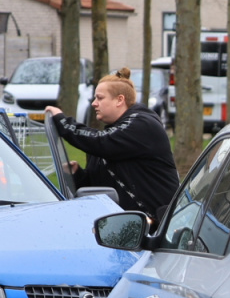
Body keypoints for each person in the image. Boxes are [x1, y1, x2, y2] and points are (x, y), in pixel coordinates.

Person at [45, 68, 179, 220]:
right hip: (126, 225)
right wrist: (77, 174)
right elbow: (96, 187)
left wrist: (62, 122)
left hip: (160, 225)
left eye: (100, 98)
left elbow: (100, 142)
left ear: (119, 100)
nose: (94, 104)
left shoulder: (142, 123)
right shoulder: (112, 136)